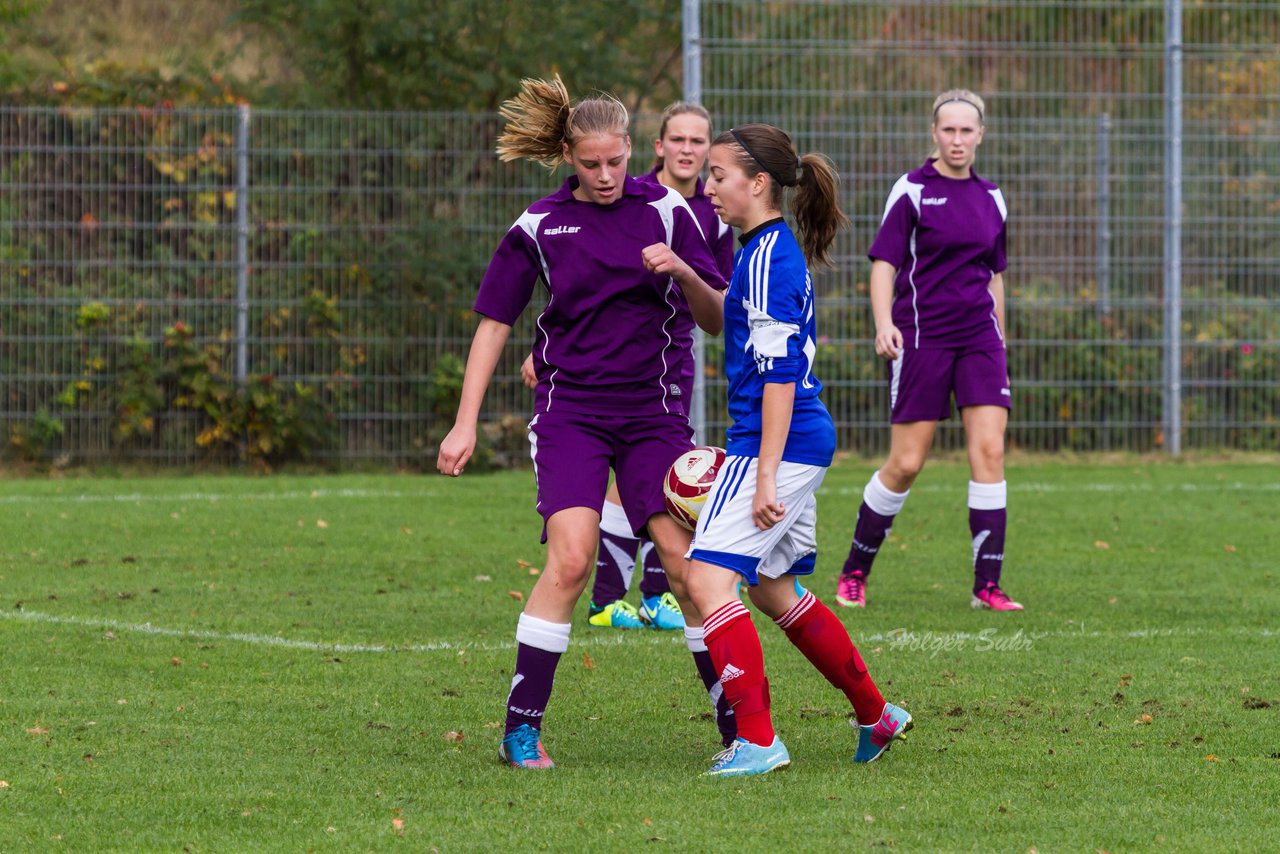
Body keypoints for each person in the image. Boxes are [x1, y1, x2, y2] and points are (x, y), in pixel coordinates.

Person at [436, 74, 731, 769]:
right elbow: (494, 325)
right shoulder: (539, 225)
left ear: (633, 149)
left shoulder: (667, 211)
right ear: (569, 156)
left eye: (615, 161)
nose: (605, 176)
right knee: (572, 559)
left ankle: (737, 729)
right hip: (569, 412)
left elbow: (716, 318)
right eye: (590, 163)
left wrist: (685, 274)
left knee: (689, 573)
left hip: (653, 416)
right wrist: (464, 422)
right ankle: (520, 730)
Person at [685, 123, 912, 776]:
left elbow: (779, 374)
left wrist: (761, 478)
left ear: (758, 184)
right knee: (775, 589)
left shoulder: (766, 257)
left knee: (706, 581)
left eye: (720, 176)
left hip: (776, 445)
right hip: (796, 443)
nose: (710, 188)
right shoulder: (765, 249)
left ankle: (758, 742)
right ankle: (876, 714)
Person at [520, 102, 736, 634]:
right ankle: (613, 594)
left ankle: (657, 590)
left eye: (697, 140)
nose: (688, 148)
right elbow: (581, 291)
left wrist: (686, 272)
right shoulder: (620, 195)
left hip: (665, 368)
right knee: (618, 494)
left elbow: (721, 303)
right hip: (589, 387)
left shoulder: (712, 212)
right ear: (658, 146)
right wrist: (544, 350)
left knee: (664, 497)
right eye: (678, 139)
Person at [834, 88, 1023, 612]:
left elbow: (995, 276)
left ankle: (987, 586)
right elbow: (884, 264)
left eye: (967, 130)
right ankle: (854, 571)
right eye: (949, 130)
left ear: (980, 135)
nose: (957, 139)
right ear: (934, 133)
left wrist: (999, 334)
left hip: (980, 339)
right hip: (922, 336)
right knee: (907, 462)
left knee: (989, 452)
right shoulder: (913, 190)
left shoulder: (993, 198)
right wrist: (883, 323)